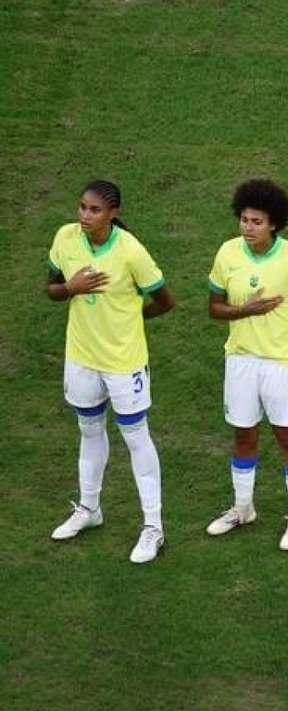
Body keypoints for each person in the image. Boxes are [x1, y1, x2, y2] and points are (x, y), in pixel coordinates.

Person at [45, 179, 177, 564]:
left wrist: (130, 321)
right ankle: (89, 509)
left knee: (136, 437)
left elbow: (165, 301)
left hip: (123, 362)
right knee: (88, 429)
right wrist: (70, 287)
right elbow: (50, 289)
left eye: (94, 210)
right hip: (82, 356)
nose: (85, 216)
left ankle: (153, 527)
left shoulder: (130, 251)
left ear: (113, 214)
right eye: (82, 207)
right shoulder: (65, 238)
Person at [203, 179, 288, 551]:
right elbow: (214, 307)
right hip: (239, 360)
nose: (247, 227)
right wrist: (246, 311)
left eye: (256, 221)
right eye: (243, 219)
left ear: (273, 224)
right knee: (243, 433)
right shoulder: (227, 254)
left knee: (287, 436)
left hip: (282, 363)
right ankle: (243, 509)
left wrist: (281, 331)